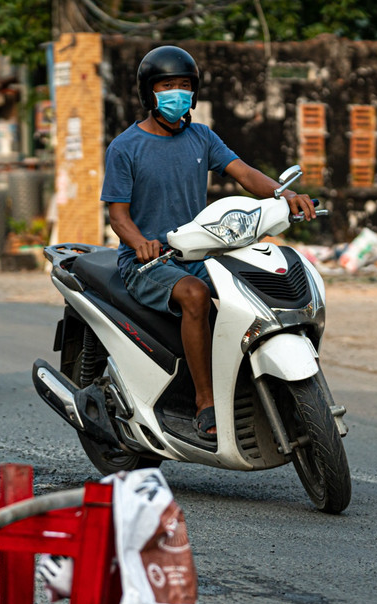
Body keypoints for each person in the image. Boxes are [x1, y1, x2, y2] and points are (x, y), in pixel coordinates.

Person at [101, 45, 315, 442]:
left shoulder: (201, 137)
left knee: (256, 287)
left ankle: (266, 386)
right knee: (195, 295)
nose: (177, 94)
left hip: (198, 252)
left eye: (184, 85)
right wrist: (141, 243)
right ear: (149, 93)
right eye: (167, 86)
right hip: (148, 262)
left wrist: (284, 195)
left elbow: (245, 174)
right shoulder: (125, 147)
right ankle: (205, 402)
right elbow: (118, 217)